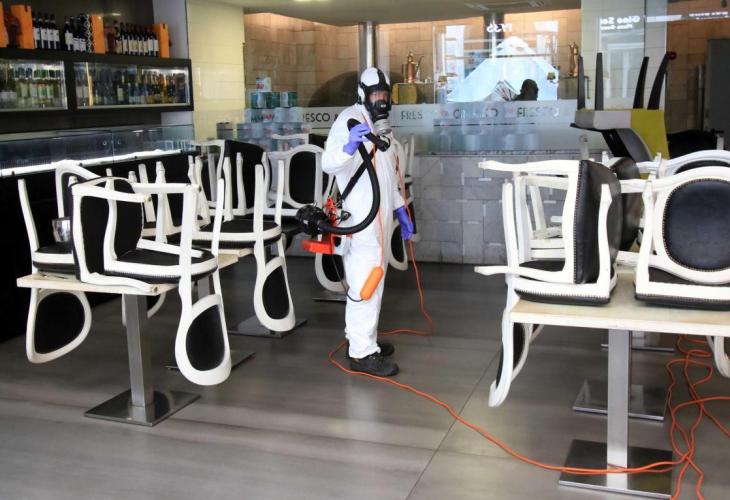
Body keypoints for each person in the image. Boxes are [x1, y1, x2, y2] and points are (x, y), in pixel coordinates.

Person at [322, 67, 414, 377]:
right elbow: (328, 163)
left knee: (376, 280)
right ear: (363, 95)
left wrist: (400, 209)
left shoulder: (382, 128)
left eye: (385, 95)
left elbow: (387, 175)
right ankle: (362, 353)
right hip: (360, 221)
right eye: (376, 96)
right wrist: (348, 147)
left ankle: (363, 338)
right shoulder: (348, 120)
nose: (381, 102)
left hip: (380, 220)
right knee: (365, 284)